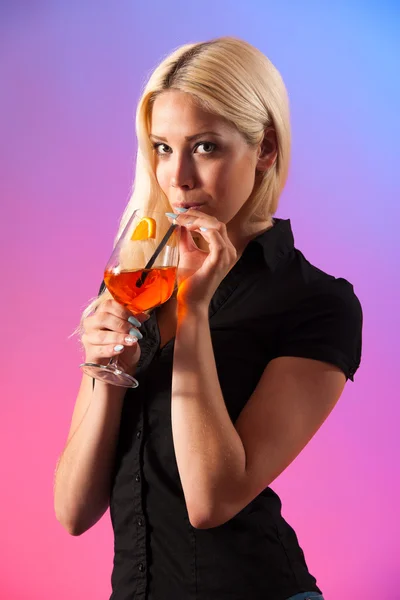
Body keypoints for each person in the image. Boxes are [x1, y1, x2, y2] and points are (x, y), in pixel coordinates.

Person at [54, 36, 362, 600]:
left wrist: (193, 310)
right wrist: (105, 377)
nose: (178, 178)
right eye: (163, 148)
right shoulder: (134, 281)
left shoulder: (317, 303)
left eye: (206, 147)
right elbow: (73, 511)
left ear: (265, 149)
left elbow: (211, 501)